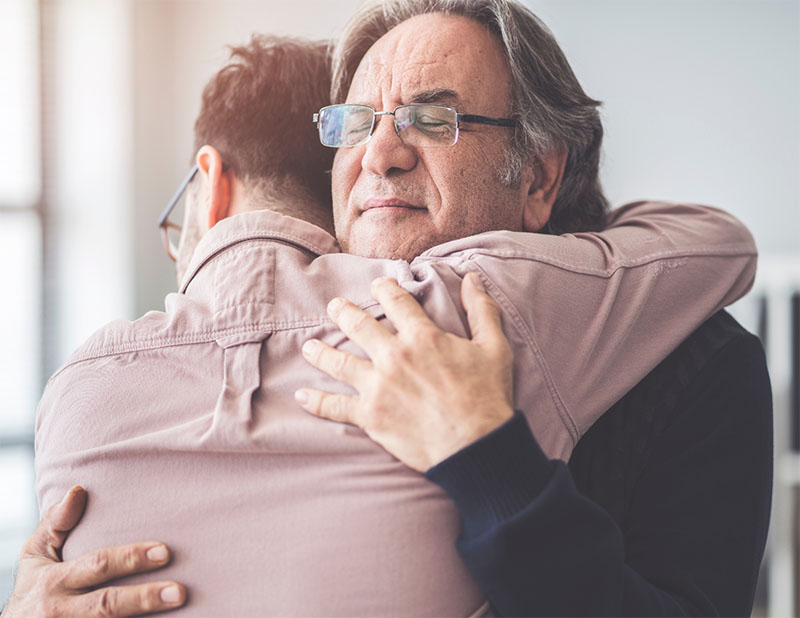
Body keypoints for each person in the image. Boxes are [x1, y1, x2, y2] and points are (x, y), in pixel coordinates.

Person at [5, 6, 766, 617]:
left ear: (537, 178)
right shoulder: (200, 357)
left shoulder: (696, 358)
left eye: (434, 120)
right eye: (357, 124)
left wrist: (487, 460)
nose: (382, 154)